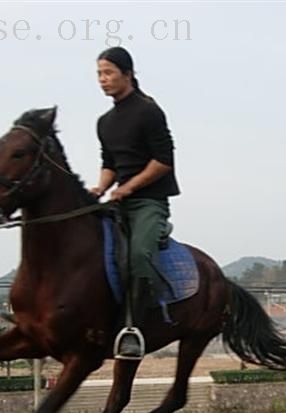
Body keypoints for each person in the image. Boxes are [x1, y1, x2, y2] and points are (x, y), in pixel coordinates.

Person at [90, 47, 180, 359]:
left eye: (109, 73)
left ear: (128, 74)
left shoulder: (148, 110)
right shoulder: (104, 122)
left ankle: (134, 329)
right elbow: (110, 162)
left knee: (139, 256)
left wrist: (127, 188)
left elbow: (163, 161)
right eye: (99, 74)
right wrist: (100, 187)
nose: (103, 80)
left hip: (148, 202)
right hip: (118, 202)